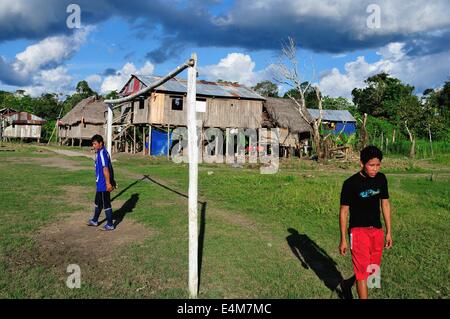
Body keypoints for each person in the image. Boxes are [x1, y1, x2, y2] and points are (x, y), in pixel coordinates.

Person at [339, 145, 392, 299]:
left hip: (376, 230)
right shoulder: (350, 184)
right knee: (362, 272)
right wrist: (343, 238)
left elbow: (386, 204)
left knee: (372, 268)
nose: (375, 169)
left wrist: (389, 231)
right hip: (358, 231)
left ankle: (347, 284)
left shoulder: (381, 178)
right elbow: (344, 211)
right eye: (371, 165)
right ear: (361, 164)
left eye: (378, 165)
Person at [87, 134, 116, 231]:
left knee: (106, 204)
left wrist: (108, 183)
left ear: (101, 143)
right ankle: (95, 220)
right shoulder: (100, 152)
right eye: (93, 144)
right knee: (98, 202)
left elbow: (106, 168)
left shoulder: (103, 153)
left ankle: (110, 224)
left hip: (104, 184)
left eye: (95, 144)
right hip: (100, 183)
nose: (93, 146)